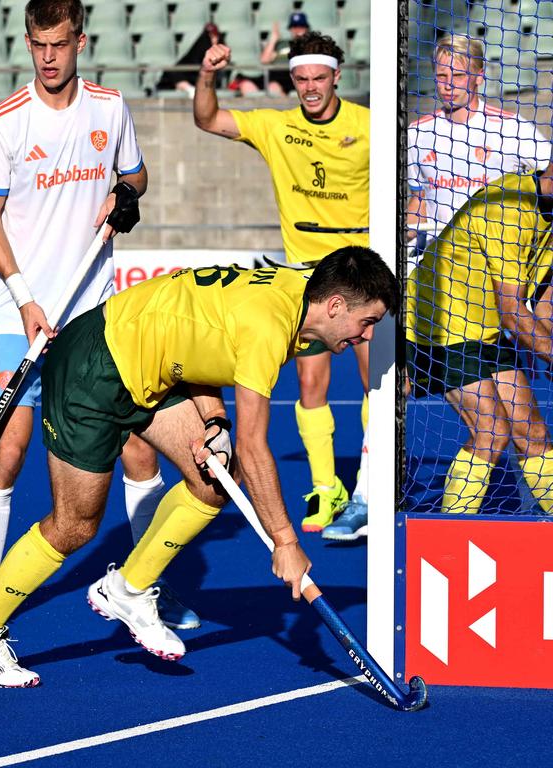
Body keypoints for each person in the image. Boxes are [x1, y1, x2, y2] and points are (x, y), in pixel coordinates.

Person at [0, 247, 398, 683]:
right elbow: (253, 446)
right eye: (367, 323)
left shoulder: (301, 294)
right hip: (93, 367)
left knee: (213, 484)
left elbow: (208, 341)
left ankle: (127, 589)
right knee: (75, 525)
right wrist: (284, 541)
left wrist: (214, 422)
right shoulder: (271, 326)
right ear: (336, 305)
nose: (366, 337)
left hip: (151, 366)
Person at [0, 0, 198, 686]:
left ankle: (142, 581)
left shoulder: (109, 107)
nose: (47, 56)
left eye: (58, 44)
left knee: (134, 440)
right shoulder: (3, 121)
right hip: (20, 308)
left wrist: (127, 197)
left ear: (79, 42)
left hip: (96, 312)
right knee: (6, 448)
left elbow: (136, 175)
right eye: (37, 44)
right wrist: (25, 296)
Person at [192, 31, 372, 540]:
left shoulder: (370, 126)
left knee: (375, 384)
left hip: (362, 275)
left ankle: (369, 489)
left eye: (319, 77)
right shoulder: (276, 127)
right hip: (309, 283)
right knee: (310, 386)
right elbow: (207, 118)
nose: (310, 87)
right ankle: (326, 486)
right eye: (300, 79)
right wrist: (209, 74)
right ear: (291, 80)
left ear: (337, 76)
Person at [406, 166, 553, 515]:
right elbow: (513, 313)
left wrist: (544, 347)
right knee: (491, 431)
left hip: (485, 326)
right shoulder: (510, 207)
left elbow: (544, 298)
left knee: (532, 432)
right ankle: (448, 536)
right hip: (440, 321)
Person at [407, 34, 553, 257]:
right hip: (438, 261)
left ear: (479, 76)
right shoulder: (418, 133)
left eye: (458, 75)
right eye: (441, 75)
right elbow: (421, 200)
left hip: (497, 260)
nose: (448, 84)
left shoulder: (510, 127)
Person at [232, 11, 310, 96]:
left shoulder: (309, 45)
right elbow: (264, 60)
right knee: (246, 85)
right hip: (273, 76)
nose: (297, 30)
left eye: (301, 27)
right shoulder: (281, 44)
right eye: (294, 27)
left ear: (306, 28)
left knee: (273, 87)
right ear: (290, 29)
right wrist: (273, 39)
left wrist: (303, 41)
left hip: (290, 78)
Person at [156, 22, 225, 97]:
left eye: (215, 36)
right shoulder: (200, 45)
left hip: (203, 76)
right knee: (171, 73)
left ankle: (189, 89)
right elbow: (191, 60)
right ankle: (189, 89)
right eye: (211, 37)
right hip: (191, 73)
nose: (214, 39)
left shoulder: (220, 49)